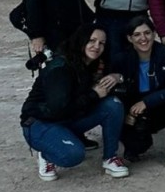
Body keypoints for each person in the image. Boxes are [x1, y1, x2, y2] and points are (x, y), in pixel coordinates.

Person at [20, 24, 129, 181]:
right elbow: (58, 109)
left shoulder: (93, 63)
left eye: (102, 43)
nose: (97, 46)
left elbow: (120, 82)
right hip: (40, 122)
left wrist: (117, 77)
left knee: (113, 104)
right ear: (81, 40)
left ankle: (110, 158)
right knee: (73, 155)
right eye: (92, 40)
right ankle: (46, 153)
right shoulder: (61, 67)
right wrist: (93, 95)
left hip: (68, 117)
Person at [114, 16, 165, 166]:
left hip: (158, 105)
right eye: (137, 34)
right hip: (134, 111)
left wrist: (147, 102)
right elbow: (115, 93)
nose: (143, 38)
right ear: (130, 38)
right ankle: (133, 146)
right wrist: (126, 114)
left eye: (147, 33)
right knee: (137, 146)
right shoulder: (121, 59)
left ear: (154, 34)